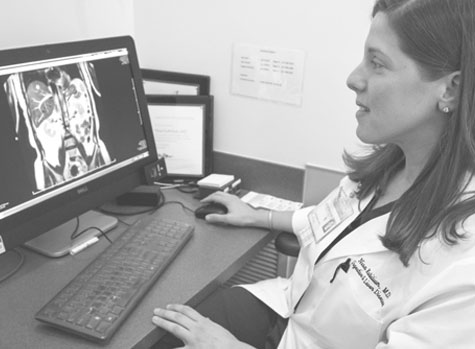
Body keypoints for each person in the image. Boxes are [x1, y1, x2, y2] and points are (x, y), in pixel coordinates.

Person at [152, 0, 475, 347]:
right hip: (286, 315)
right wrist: (258, 216)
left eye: (377, 63)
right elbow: (334, 223)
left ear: (450, 89)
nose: (353, 79)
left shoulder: (464, 262)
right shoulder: (391, 167)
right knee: (161, 330)